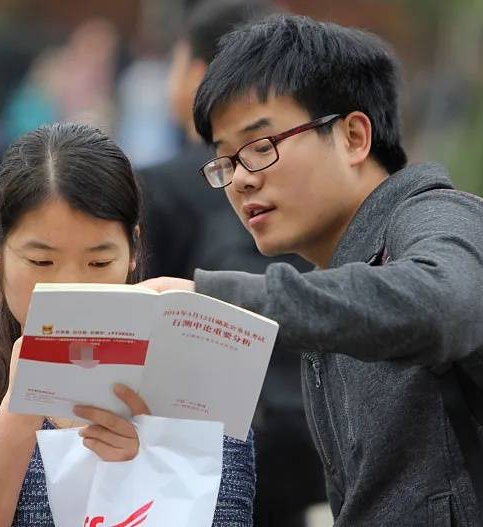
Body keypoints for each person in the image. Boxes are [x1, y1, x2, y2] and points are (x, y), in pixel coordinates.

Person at [140, 14, 483, 525]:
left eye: (261, 146)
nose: (241, 181)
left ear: (355, 136)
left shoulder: (442, 222)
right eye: (225, 162)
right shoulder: (345, 273)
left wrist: (216, 303)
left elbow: (446, 306)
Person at [0, 123, 255, 527]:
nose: (71, 288)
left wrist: (157, 463)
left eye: (99, 263)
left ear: (133, 250)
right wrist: (21, 406)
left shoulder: (199, 399)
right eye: (42, 262)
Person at [141, 2, 324, 525]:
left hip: (205, 441)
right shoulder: (298, 181)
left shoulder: (162, 186)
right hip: (301, 433)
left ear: (200, 75)